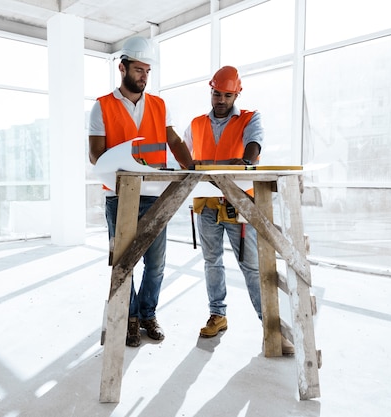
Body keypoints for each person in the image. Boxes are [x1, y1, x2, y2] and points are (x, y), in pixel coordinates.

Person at [88, 36, 194, 347]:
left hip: (155, 195)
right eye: (138, 69)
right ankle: (131, 318)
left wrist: (191, 168)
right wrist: (123, 161)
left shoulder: (159, 106)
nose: (144, 76)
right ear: (122, 68)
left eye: (147, 70)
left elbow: (174, 142)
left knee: (157, 263)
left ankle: (148, 314)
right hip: (119, 196)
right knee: (125, 262)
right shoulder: (102, 107)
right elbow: (95, 154)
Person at [183, 66, 294, 355]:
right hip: (207, 203)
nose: (220, 100)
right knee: (212, 262)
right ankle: (217, 315)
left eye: (227, 95)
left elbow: (253, 146)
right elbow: (183, 156)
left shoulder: (249, 118)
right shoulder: (195, 124)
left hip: (238, 203)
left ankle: (272, 329)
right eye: (216, 93)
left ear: (237, 94)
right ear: (211, 91)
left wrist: (246, 160)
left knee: (253, 267)